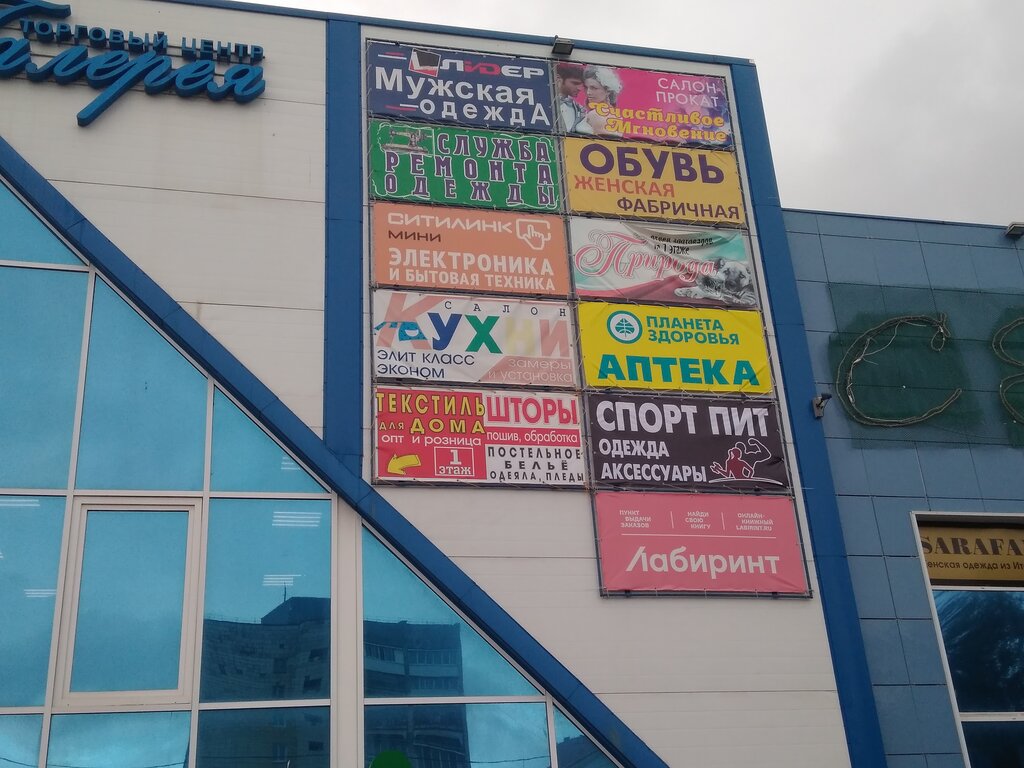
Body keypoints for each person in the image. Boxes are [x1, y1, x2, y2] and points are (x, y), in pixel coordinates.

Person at [582, 65, 623, 136]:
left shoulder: (595, 114)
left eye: (594, 88)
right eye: (586, 87)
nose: (588, 92)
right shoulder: (616, 115)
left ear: (608, 91)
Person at [554, 62, 588, 133]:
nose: (579, 88)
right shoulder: (544, 101)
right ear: (558, 79)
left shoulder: (580, 109)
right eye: (575, 83)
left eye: (581, 85)